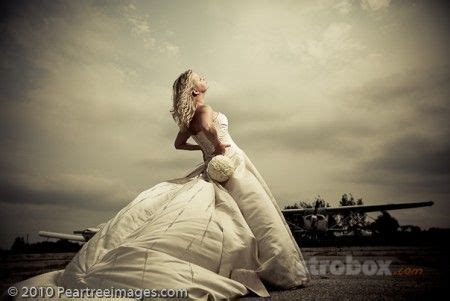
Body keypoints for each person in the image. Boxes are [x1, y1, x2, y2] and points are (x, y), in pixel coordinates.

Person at [5, 69, 310, 300]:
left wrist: (203, 153)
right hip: (228, 157)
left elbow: (179, 144)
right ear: (194, 88)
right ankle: (264, 264)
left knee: (226, 211)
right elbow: (207, 128)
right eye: (200, 78)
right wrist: (217, 147)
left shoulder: (186, 119)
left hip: (211, 163)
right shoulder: (203, 111)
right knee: (248, 210)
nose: (205, 80)